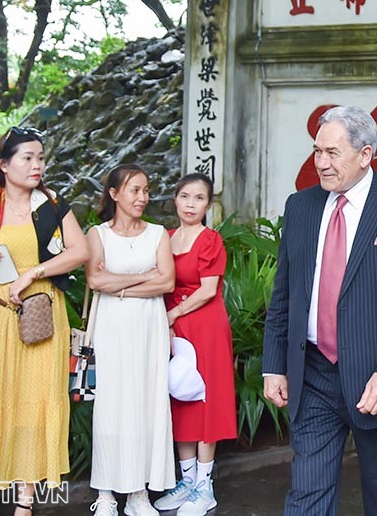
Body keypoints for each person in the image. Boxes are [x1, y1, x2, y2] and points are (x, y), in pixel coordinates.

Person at [262, 105, 377, 516]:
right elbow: (284, 292)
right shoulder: (300, 207)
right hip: (315, 373)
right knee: (307, 495)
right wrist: (274, 363)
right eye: (316, 151)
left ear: (365, 154)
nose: (320, 163)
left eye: (332, 153)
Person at [0, 126, 90, 514]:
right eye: (27, 158)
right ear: (4, 164)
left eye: (40, 158)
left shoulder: (50, 204)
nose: (37, 165)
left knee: (36, 405)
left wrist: (34, 272)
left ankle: (25, 504)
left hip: (42, 317)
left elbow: (79, 251)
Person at [86, 164, 176, 516]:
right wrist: (142, 278)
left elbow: (166, 282)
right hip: (112, 327)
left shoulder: (157, 234)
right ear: (114, 194)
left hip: (148, 326)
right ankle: (106, 493)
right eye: (134, 190)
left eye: (146, 190)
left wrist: (120, 284)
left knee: (146, 401)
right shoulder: (98, 234)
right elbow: (95, 280)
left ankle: (139, 494)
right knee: (111, 404)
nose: (142, 197)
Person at [153, 173, 236, 515]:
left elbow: (206, 289)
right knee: (179, 397)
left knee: (205, 400)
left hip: (204, 325)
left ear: (208, 204)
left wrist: (173, 315)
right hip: (174, 326)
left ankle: (205, 487)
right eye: (185, 196)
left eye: (198, 198)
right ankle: (186, 482)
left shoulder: (209, 240)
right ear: (175, 199)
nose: (191, 204)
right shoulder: (166, 238)